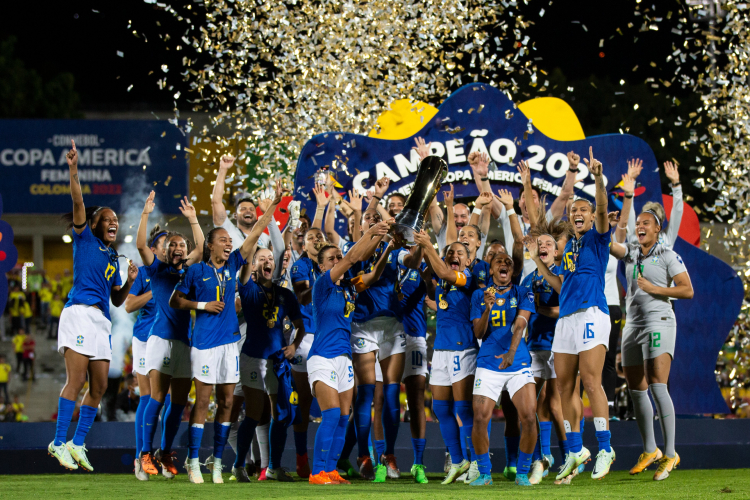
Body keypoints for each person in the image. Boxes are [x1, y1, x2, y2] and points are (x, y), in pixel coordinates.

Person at [170, 180, 283, 484]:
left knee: (228, 404)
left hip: (231, 345)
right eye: (222, 240)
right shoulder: (195, 271)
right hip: (204, 344)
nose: (228, 243)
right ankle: (193, 461)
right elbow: (175, 300)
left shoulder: (234, 263)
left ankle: (218, 462)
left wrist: (273, 203)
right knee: (203, 403)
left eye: (229, 241)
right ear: (210, 245)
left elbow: (257, 232)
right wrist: (203, 305)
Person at [525, 147, 615, 482]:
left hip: (593, 313)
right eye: (574, 209)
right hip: (567, 320)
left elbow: (603, 207)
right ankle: (576, 450)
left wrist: (596, 179)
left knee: (591, 381)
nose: (577, 212)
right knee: (562, 388)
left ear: (591, 218)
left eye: (583, 210)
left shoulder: (598, 238)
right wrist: (536, 259)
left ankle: (604, 447)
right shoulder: (569, 250)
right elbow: (560, 287)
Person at [49, 140, 138, 472]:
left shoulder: (112, 256)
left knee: (99, 386)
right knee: (76, 381)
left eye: (116, 219)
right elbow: (77, 199)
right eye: (107, 218)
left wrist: (128, 280)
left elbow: (117, 299)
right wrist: (73, 170)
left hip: (102, 320)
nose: (113, 221)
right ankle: (58, 442)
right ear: (95, 223)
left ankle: (78, 443)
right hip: (79, 314)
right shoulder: (84, 237)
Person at [611, 176, 694, 481]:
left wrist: (657, 290)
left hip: (660, 321)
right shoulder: (632, 253)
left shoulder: (668, 254)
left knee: (658, 385)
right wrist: (601, 226)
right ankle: (650, 449)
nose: (640, 225)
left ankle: (671, 453)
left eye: (647, 222)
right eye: (638, 222)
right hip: (632, 324)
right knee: (636, 388)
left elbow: (687, 290)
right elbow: (611, 246)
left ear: (658, 228)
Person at [306, 219, 392, 485]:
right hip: (322, 357)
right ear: (322, 266)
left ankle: (331, 469)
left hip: (344, 359)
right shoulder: (323, 285)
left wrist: (387, 245)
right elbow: (355, 255)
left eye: (338, 257)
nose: (338, 260)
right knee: (331, 414)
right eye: (332, 259)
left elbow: (374, 275)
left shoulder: (349, 288)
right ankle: (316, 471)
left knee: (344, 416)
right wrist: (372, 232)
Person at [349, 180, 422, 482]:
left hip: (392, 325)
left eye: (377, 221)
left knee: (392, 394)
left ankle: (388, 454)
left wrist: (418, 244)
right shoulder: (353, 251)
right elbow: (367, 264)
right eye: (369, 221)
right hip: (364, 326)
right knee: (367, 395)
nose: (375, 224)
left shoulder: (393, 251)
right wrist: (369, 205)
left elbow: (412, 261)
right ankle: (366, 453)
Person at [136, 193, 205, 480]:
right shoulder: (157, 270)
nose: (177, 248)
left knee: (179, 403)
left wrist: (192, 219)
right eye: (172, 245)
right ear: (164, 251)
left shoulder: (189, 272)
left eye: (181, 245)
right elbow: (141, 244)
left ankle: (164, 453)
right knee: (157, 397)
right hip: (160, 339)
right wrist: (145, 214)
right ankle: (144, 454)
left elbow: (201, 246)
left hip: (183, 342)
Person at [232, 245, 306, 482]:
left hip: (277, 360)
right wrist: (260, 226)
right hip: (253, 357)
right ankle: (238, 466)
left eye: (270, 259)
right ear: (253, 265)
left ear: (274, 265)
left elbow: (299, 326)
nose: (267, 262)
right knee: (253, 414)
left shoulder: (285, 294)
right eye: (261, 259)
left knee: (282, 415)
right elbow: (244, 261)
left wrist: (294, 345)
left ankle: (273, 467)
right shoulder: (247, 288)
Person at [413, 231, 479, 485]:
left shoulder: (467, 278)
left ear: (469, 261)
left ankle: (476, 462)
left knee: (463, 409)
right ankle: (458, 459)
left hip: (463, 350)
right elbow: (439, 299)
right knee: (441, 408)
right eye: (450, 252)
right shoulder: (444, 284)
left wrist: (428, 245)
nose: (454, 256)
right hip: (440, 351)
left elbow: (442, 272)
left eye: (460, 253)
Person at [470, 251, 538, 486]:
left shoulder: (522, 292)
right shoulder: (479, 295)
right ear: (490, 270)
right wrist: (487, 309)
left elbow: (520, 324)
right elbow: (478, 333)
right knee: (480, 417)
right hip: (488, 363)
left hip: (517, 362)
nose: (504, 264)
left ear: (512, 271)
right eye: (498, 261)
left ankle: (522, 472)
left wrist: (511, 352)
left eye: (508, 262)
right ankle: (485, 473)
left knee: (529, 416)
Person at [469, 151, 578, 280]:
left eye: (532, 197)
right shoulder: (509, 217)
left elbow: (564, 195)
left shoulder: (547, 220)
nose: (527, 200)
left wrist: (572, 168)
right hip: (512, 279)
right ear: (519, 203)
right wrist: (483, 176)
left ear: (538, 203)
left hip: (541, 280)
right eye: (523, 197)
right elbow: (486, 196)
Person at [289, 227, 327, 478]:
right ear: (303, 243)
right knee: (304, 400)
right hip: (304, 338)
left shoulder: (331, 264)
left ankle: (329, 460)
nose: (316, 240)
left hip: (328, 336)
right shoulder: (300, 267)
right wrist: (325, 279)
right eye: (311, 238)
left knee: (331, 404)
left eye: (320, 237)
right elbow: (302, 297)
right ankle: (302, 458)